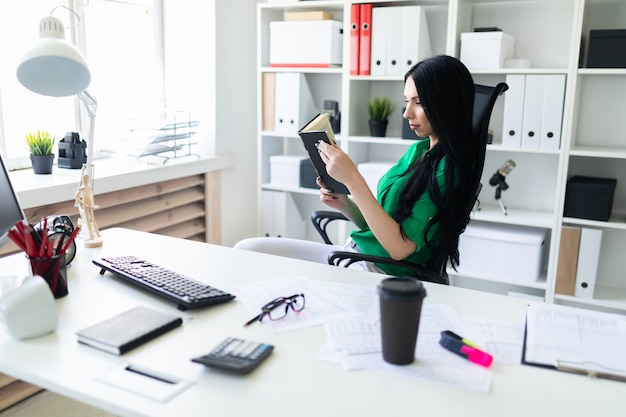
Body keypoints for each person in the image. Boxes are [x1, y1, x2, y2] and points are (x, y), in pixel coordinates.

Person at [235, 55, 477, 280]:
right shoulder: (419, 150)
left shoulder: (448, 171)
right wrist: (345, 204)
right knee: (247, 250)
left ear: (448, 104)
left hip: (375, 270)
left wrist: (353, 179)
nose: (406, 113)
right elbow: (382, 227)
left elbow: (399, 248)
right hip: (354, 254)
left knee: (259, 266)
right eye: (406, 101)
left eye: (419, 102)